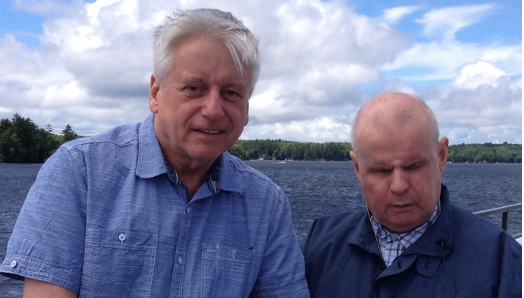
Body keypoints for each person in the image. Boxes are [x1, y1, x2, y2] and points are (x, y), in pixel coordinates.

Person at [0, 8, 309, 297]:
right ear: (156, 93)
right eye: (194, 88)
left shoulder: (266, 206)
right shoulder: (80, 172)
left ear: (246, 108)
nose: (213, 110)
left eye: (231, 93)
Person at [301, 92, 522, 297]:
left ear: (441, 157)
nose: (399, 186)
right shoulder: (318, 246)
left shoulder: (502, 261)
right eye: (381, 170)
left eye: (414, 166)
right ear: (358, 169)